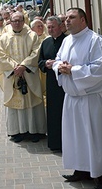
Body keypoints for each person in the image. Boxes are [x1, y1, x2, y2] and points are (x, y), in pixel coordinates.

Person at [53, 8, 102, 187]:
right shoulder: (67, 40)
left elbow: (101, 68)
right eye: (66, 18)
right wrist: (59, 67)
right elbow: (58, 59)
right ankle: (82, 169)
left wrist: (73, 70)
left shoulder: (95, 41)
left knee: (96, 138)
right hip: (72, 99)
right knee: (76, 137)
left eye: (72, 18)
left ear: (83, 20)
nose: (67, 21)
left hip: (91, 99)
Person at [0, 12, 46, 143]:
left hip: (29, 74)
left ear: (24, 21)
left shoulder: (32, 36)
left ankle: (34, 131)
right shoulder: (4, 38)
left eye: (19, 20)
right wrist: (15, 67)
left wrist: (23, 66)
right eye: (14, 21)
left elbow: (37, 52)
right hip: (13, 76)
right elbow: (1, 55)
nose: (17, 23)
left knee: (31, 101)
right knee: (15, 102)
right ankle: (16, 131)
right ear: (10, 22)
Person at [38, 16, 66, 151]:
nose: (50, 30)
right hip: (51, 83)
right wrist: (46, 64)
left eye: (53, 27)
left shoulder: (67, 41)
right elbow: (40, 62)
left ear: (60, 26)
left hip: (65, 84)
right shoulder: (46, 42)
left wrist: (58, 64)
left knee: (65, 114)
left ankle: (67, 143)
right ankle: (55, 143)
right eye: (48, 27)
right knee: (53, 113)